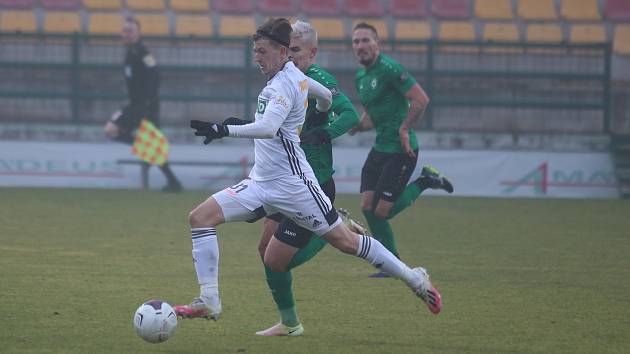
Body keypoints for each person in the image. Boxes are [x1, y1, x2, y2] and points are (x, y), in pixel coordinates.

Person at [173, 18, 441, 328]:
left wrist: (225, 129)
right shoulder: (292, 77)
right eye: (254, 51)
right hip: (261, 184)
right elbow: (323, 96)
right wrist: (321, 111)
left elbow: (270, 127)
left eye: (261, 51)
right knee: (200, 218)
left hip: (294, 186)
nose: (256, 57)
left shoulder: (285, 82)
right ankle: (209, 300)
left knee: (347, 243)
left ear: (282, 51)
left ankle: (415, 278)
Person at [254, 20, 361, 336]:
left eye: (297, 51)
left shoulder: (318, 79)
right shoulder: (285, 79)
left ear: (312, 52)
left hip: (312, 183)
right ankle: (288, 323)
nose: (291, 56)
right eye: (289, 50)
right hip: (285, 181)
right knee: (265, 251)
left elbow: (350, 115)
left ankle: (329, 232)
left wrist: (324, 134)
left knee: (277, 259)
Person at [351, 22, 453, 277]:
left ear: (378, 44)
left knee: (381, 211)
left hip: (401, 150)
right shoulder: (361, 77)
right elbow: (371, 116)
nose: (360, 46)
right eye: (356, 42)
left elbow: (421, 99)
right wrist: (352, 126)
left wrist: (405, 129)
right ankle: (391, 262)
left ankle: (426, 181)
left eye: (366, 40)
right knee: (366, 207)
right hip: (380, 148)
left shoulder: (391, 69)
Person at [104, 16, 182, 192]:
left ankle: (172, 181)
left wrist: (147, 104)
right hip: (135, 105)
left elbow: (155, 76)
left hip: (144, 107)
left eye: (130, 31)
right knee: (117, 133)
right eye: (125, 31)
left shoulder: (143, 53)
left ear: (139, 33)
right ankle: (173, 181)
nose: (127, 34)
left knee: (111, 130)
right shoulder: (130, 52)